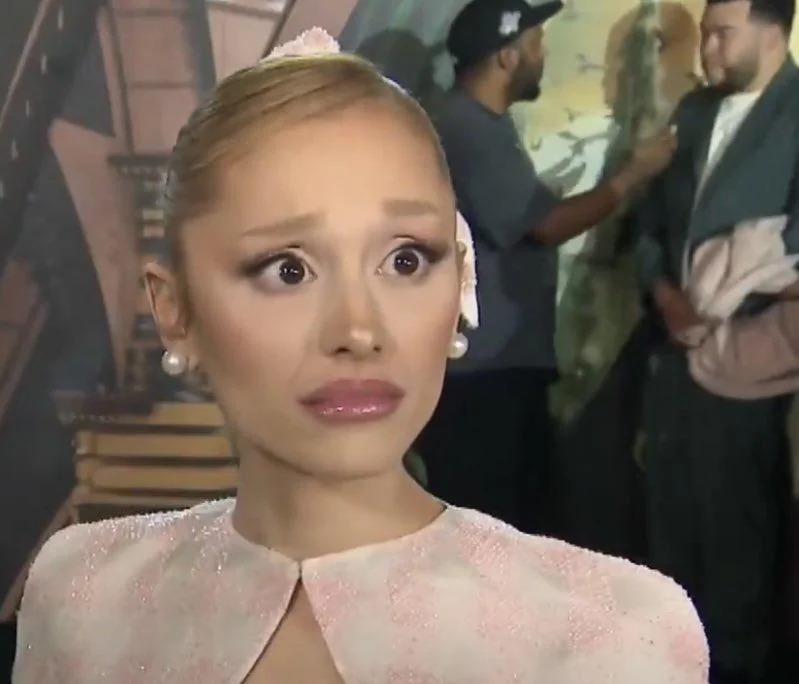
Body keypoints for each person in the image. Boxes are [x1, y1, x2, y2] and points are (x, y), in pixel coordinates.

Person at [12, 29, 709, 684]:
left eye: (406, 260)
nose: (359, 329)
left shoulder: (617, 636)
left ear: (460, 279)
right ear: (174, 310)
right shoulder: (83, 595)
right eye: (287, 269)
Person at [415, 0, 677, 534]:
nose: (543, 54)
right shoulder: (466, 128)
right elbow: (545, 226)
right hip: (483, 379)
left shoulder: (479, 125)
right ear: (507, 56)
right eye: (535, 44)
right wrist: (633, 176)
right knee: (491, 528)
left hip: (497, 369)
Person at [634, 1, 799, 682]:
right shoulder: (694, 112)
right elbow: (651, 226)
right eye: (704, 34)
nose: (706, 50)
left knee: (738, 538)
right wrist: (664, 294)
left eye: (721, 35)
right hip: (669, 354)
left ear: (773, 31)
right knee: (669, 523)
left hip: (749, 368)